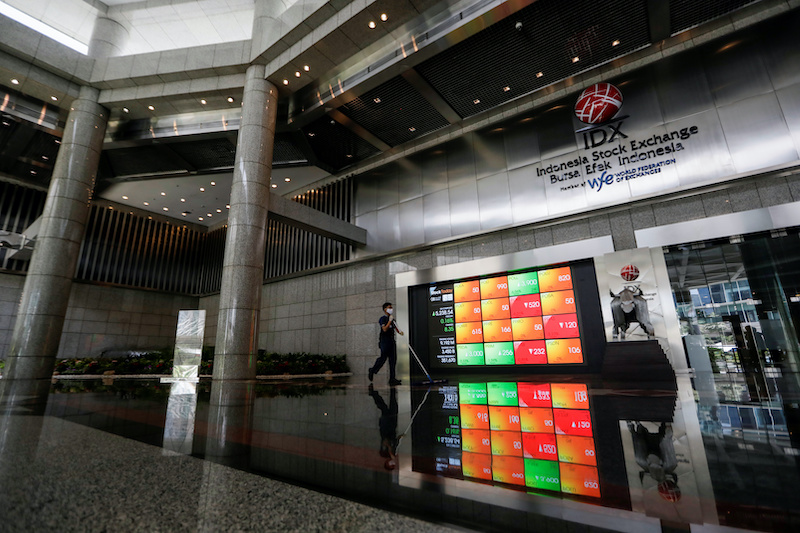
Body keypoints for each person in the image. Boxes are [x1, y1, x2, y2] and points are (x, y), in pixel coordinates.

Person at [369, 302, 403, 385]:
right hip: (384, 341)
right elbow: (384, 329)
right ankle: (372, 370)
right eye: (389, 307)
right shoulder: (383, 319)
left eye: (391, 307)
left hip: (391, 341)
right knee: (383, 358)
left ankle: (392, 378)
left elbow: (397, 328)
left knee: (393, 360)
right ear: (385, 309)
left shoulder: (392, 319)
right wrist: (389, 321)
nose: (391, 309)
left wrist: (400, 332)